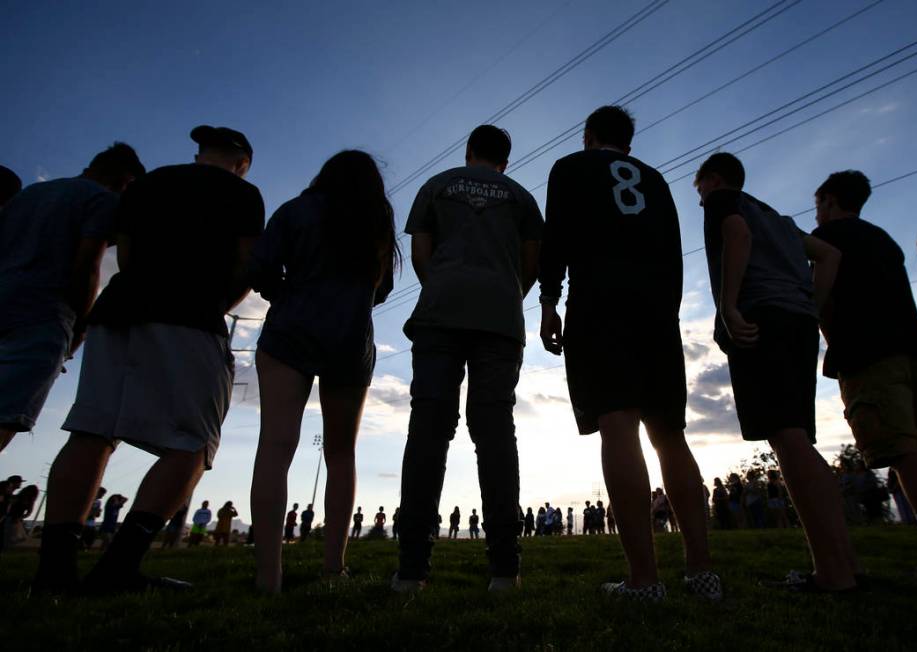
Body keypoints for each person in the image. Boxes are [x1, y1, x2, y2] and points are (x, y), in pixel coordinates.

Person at [33, 125, 263, 594]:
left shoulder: (149, 183)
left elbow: (128, 253)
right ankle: (118, 567)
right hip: (190, 316)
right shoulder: (243, 193)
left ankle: (54, 573)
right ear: (242, 163)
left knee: (92, 432)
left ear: (201, 155)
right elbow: (247, 264)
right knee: (193, 446)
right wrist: (216, 305)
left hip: (119, 310)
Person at [539, 106, 720, 602]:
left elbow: (557, 236)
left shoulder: (571, 168)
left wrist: (549, 301)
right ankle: (702, 574)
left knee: (618, 424)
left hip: (600, 303)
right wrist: (668, 311)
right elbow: (674, 250)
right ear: (629, 144)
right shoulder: (657, 179)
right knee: (670, 435)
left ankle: (645, 579)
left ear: (588, 136)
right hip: (657, 311)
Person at [695, 151, 857, 592]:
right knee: (799, 441)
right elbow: (828, 255)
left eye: (699, 189)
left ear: (712, 180)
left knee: (786, 439)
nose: (699, 199)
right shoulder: (781, 219)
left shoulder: (724, 203)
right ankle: (842, 562)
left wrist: (729, 304)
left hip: (760, 319)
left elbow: (737, 234)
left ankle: (834, 575)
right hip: (799, 325)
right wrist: (811, 306)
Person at [392, 125, 543, 594]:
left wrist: (444, 286)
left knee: (429, 430)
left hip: (441, 313)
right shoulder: (520, 196)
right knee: (495, 431)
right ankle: (504, 570)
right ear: (506, 160)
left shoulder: (437, 185)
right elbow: (532, 261)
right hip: (500, 318)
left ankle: (412, 572)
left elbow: (421, 255)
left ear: (469, 152)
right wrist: (506, 295)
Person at [248, 150, 397, 592]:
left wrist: (290, 295)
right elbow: (383, 289)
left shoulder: (296, 210)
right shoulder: (376, 222)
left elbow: (260, 270)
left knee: (275, 450)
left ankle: (268, 576)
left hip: (289, 335)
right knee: (341, 455)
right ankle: (334, 568)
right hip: (350, 341)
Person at [0, 144, 145, 453]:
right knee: (5, 416)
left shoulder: (27, 195)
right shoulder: (101, 201)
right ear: (126, 182)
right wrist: (79, 328)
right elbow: (87, 265)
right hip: (41, 316)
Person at [811, 170, 917, 558]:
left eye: (818, 205)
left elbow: (817, 300)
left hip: (870, 356)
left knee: (902, 448)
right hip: (915, 348)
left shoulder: (826, 239)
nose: (817, 214)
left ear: (828, 200)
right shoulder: (885, 239)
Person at [2, 484, 39, 549]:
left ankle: (7, 547)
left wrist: (20, 517)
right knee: (13, 536)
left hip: (14, 518)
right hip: (12, 518)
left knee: (13, 536)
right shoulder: (22, 499)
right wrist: (20, 517)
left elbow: (28, 513)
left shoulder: (25, 500)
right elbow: (28, 513)